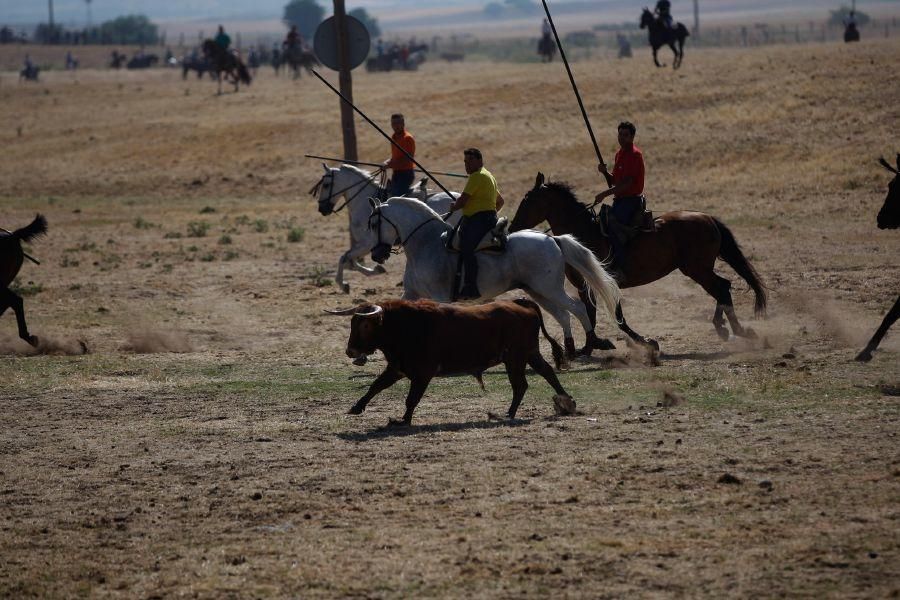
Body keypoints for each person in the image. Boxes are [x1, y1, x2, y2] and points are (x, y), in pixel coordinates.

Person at [449, 148, 506, 300]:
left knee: (466, 248)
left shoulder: (476, 176)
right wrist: (490, 213)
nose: (467, 165)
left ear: (480, 161)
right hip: (487, 219)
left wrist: (453, 206)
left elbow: (462, 201)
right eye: (465, 162)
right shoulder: (488, 175)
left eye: (470, 161)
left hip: (478, 221)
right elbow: (500, 201)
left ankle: (471, 287)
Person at [595, 121, 645, 274]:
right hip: (620, 201)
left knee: (612, 228)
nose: (622, 138)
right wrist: (605, 172)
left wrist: (604, 194)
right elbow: (615, 181)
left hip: (631, 201)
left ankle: (620, 267)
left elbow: (627, 184)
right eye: (620, 134)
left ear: (632, 137)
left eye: (625, 135)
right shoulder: (619, 154)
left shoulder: (635, 155)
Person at [384, 114, 416, 198]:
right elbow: (396, 158)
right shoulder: (394, 138)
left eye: (398, 123)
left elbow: (407, 159)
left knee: (396, 199)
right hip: (396, 174)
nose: (396, 126)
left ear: (403, 124)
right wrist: (388, 162)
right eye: (394, 123)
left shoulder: (408, 138)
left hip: (406, 174)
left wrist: (389, 165)